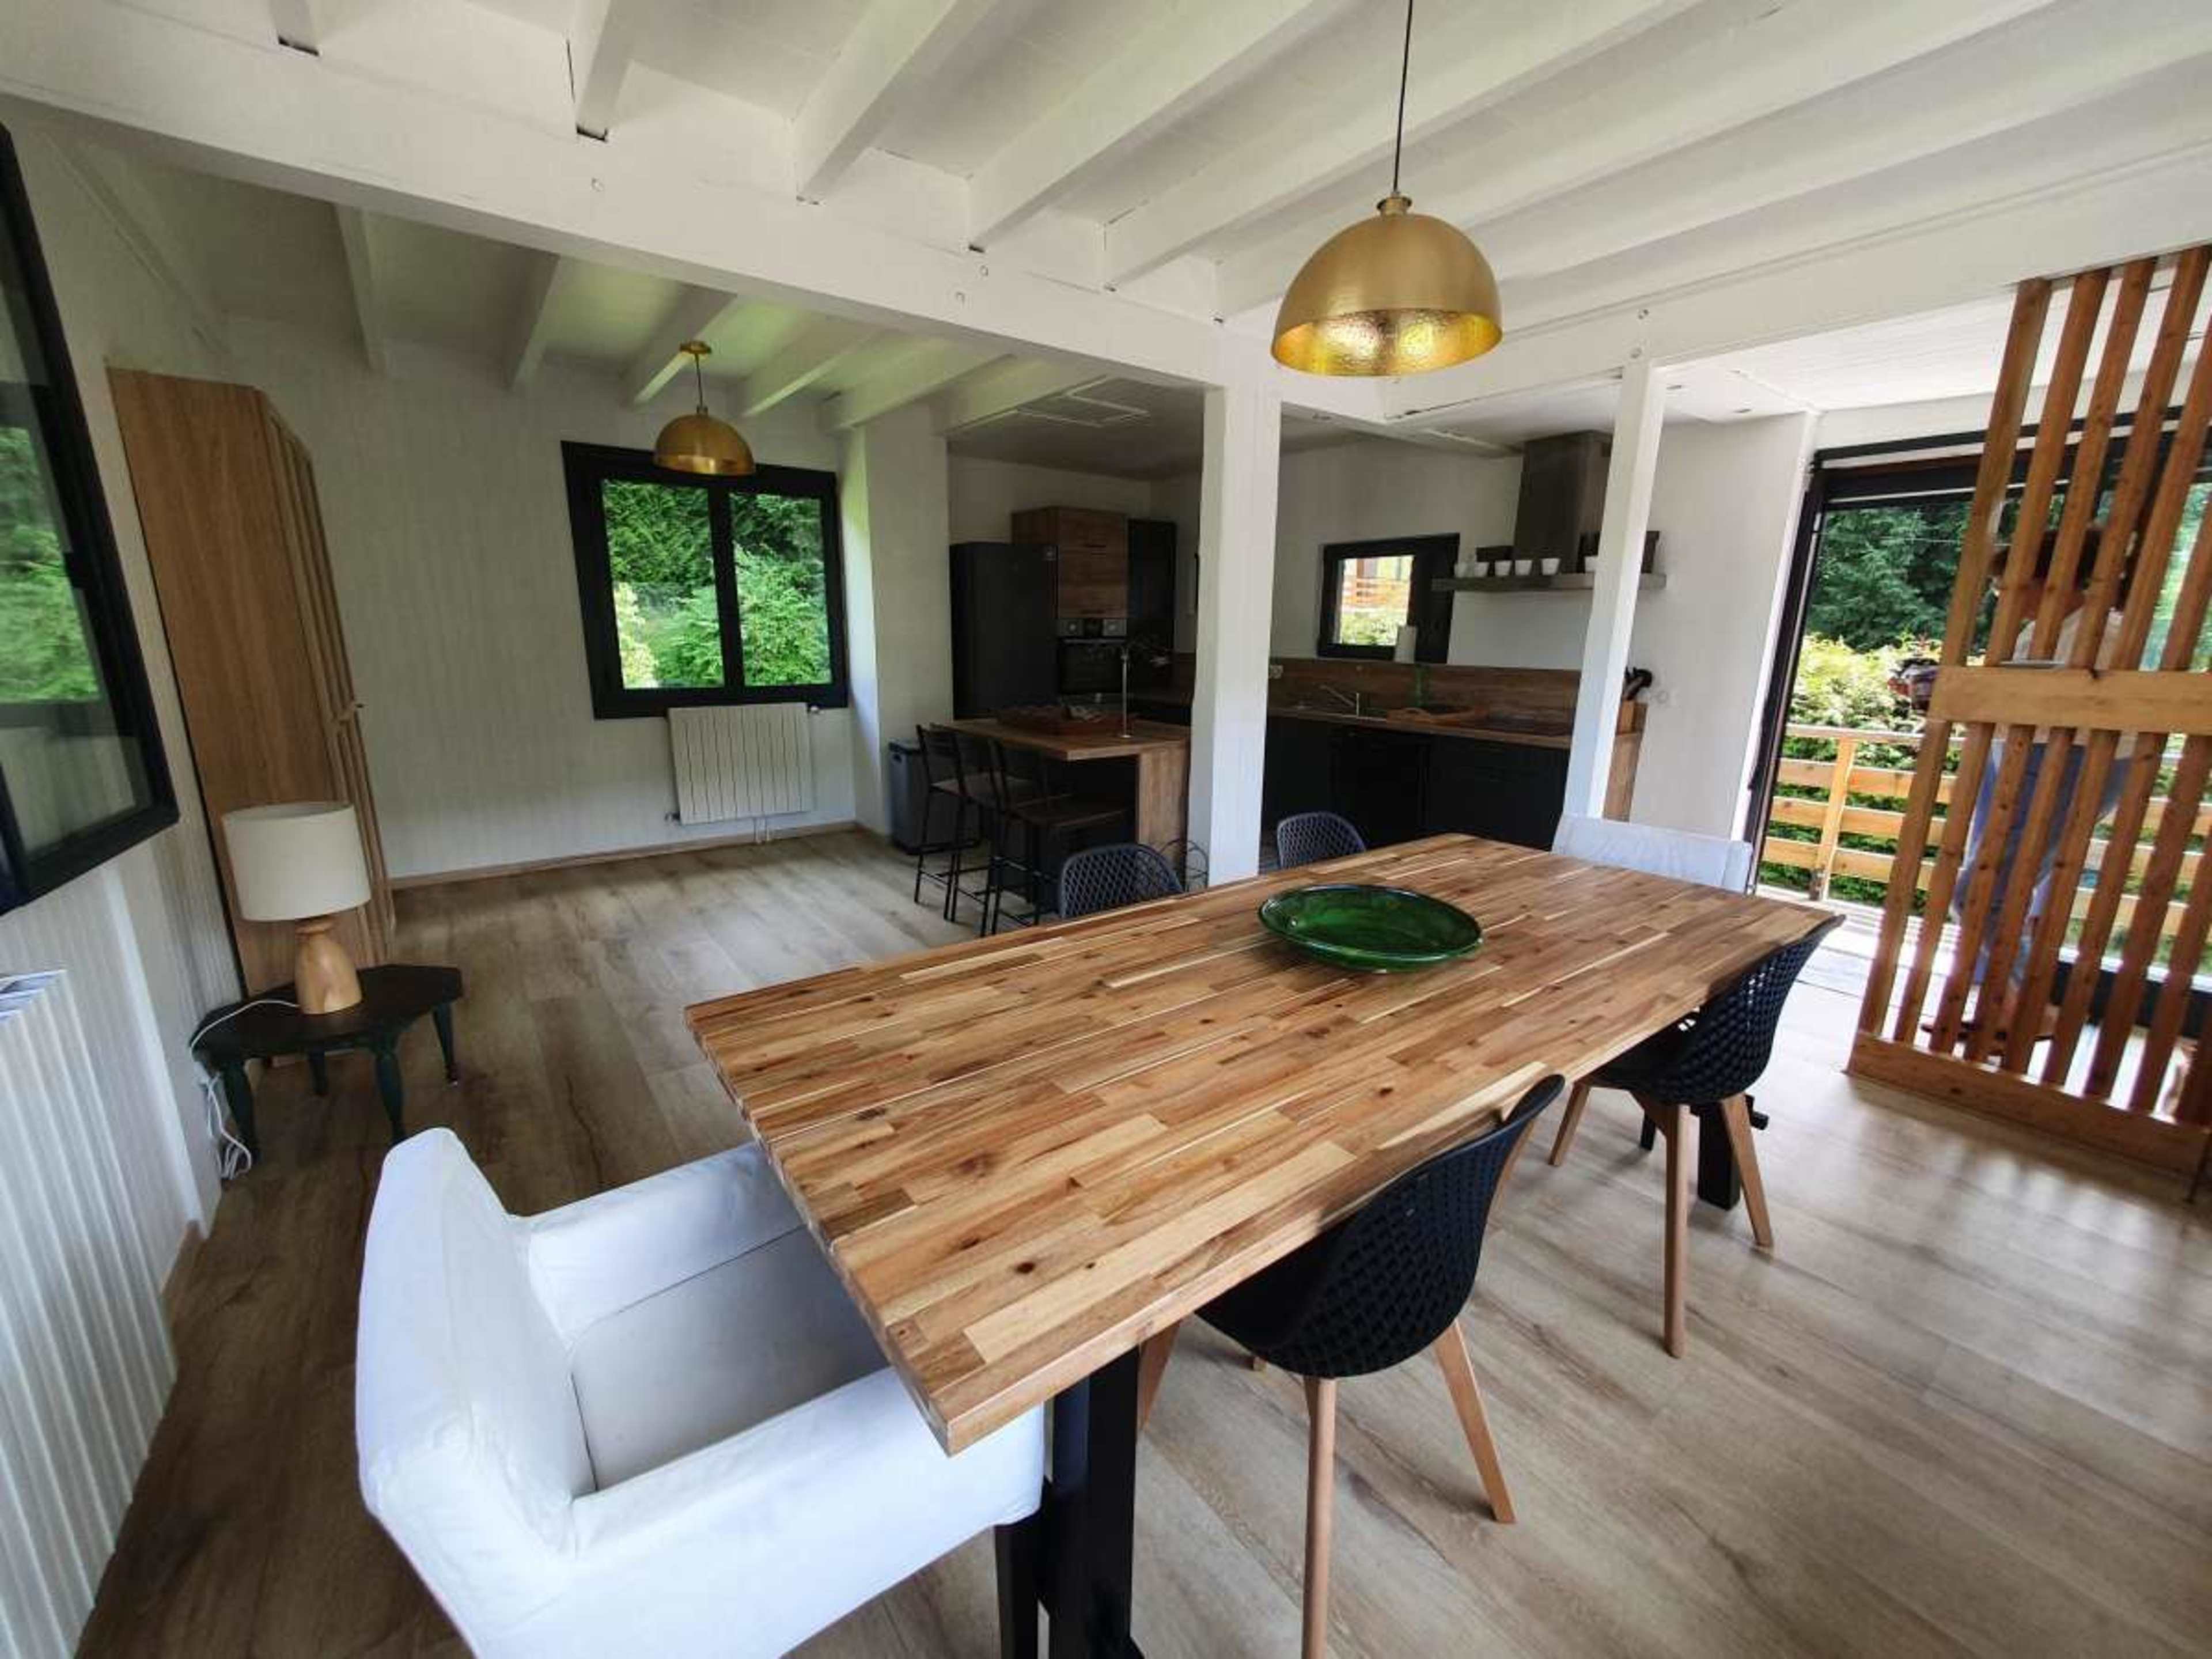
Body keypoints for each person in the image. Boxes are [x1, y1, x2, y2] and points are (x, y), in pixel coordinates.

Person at [1950, 522, 2132, 1040]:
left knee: (1984, 891)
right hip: (2021, 756)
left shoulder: (2104, 633)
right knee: (1997, 884)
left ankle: (2035, 1010)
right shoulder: (2046, 629)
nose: (2003, 596)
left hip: (2065, 761)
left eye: (2008, 585)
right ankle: (2001, 1012)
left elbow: (2051, 707)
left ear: (2048, 579)